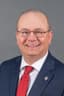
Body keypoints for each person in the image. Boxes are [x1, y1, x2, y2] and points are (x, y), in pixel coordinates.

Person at [0, 9, 64, 96]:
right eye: (25, 32)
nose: (31, 38)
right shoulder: (4, 68)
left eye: (39, 32)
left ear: (49, 36)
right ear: (17, 36)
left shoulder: (62, 75)